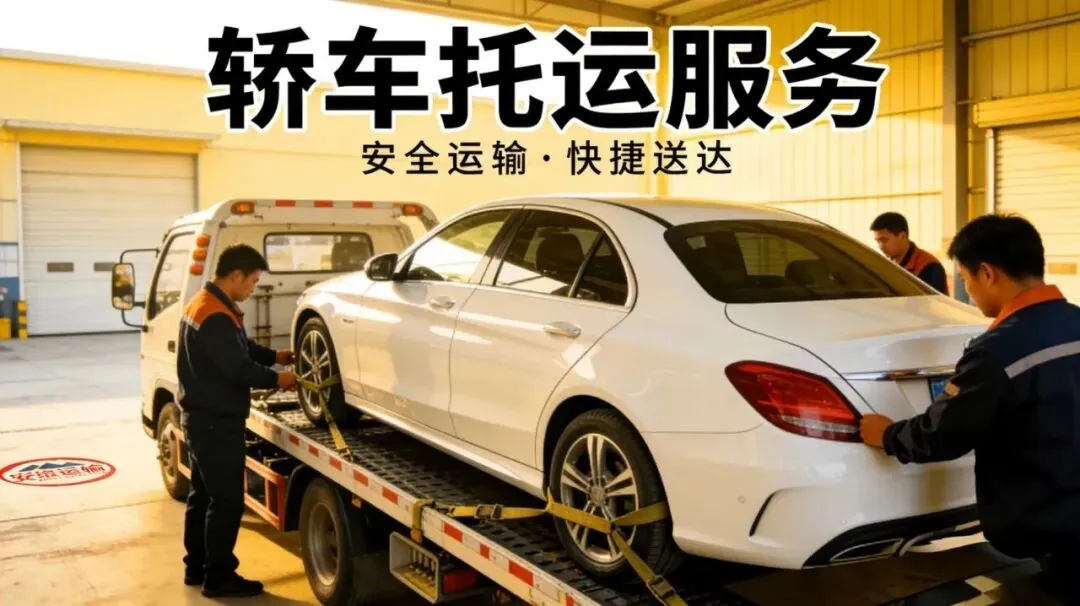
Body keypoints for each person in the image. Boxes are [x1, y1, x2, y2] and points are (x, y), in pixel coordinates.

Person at [859, 214, 1080, 603]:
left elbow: (944, 435)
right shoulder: (1074, 320)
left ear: (988, 273)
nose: (968, 291)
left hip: (1049, 518)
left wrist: (888, 435)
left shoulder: (996, 351)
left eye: (965, 278)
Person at [176, 243, 297, 598]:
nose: (253, 288)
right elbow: (237, 367)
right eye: (253, 281)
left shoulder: (206, 305)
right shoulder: (215, 315)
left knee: (202, 497)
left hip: (201, 419)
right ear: (236, 275)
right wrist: (278, 378)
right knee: (226, 502)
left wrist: (275, 356)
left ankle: (196, 567)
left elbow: (239, 347)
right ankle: (219, 577)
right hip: (216, 423)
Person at [870, 211, 950, 295]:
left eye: (884, 240)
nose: (880, 246)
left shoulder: (929, 267)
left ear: (902, 236)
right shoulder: (885, 265)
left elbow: (935, 302)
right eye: (877, 241)